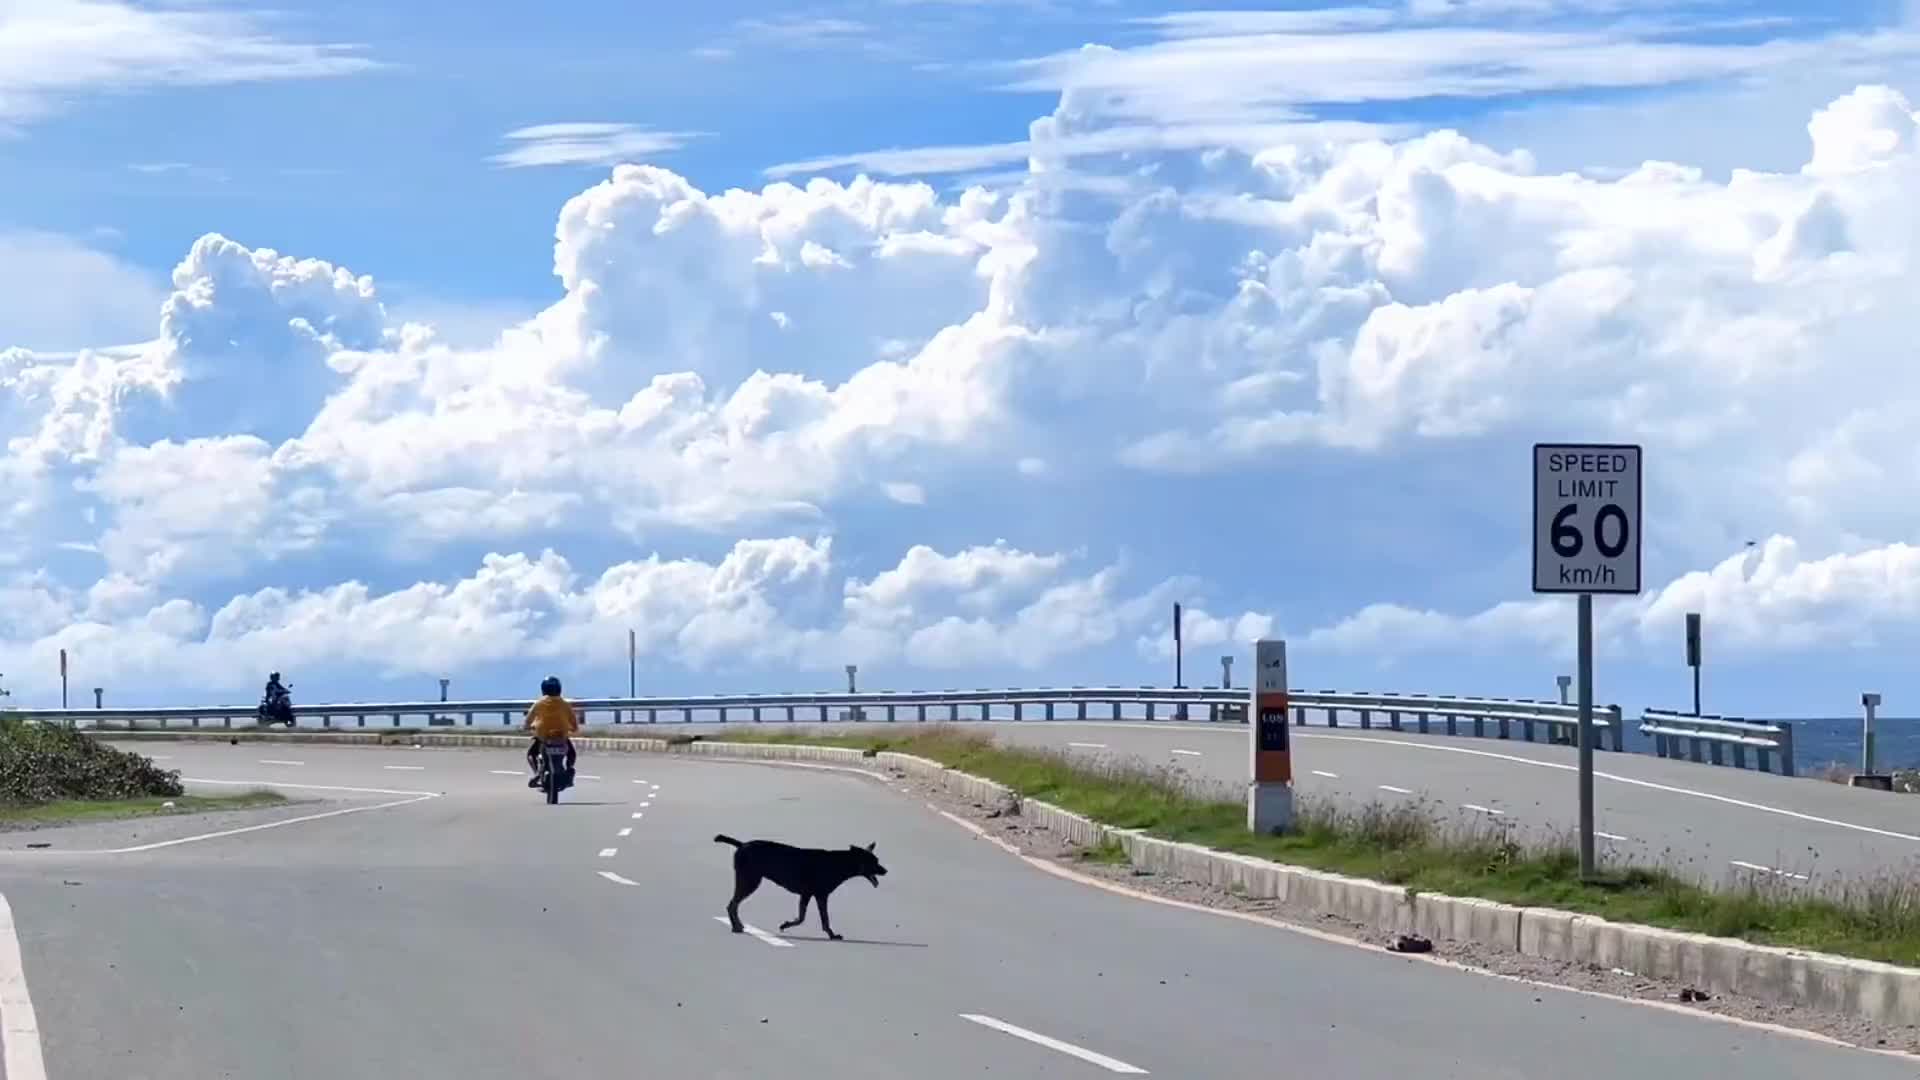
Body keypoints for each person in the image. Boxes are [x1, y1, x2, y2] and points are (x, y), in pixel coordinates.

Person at [524, 675, 579, 789]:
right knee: (571, 753)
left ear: (543, 689)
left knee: (531, 754)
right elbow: (573, 721)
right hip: (561, 736)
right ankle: (569, 770)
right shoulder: (565, 704)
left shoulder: (538, 703)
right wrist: (573, 728)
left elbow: (528, 719)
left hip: (543, 737)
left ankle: (537, 773)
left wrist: (527, 726)